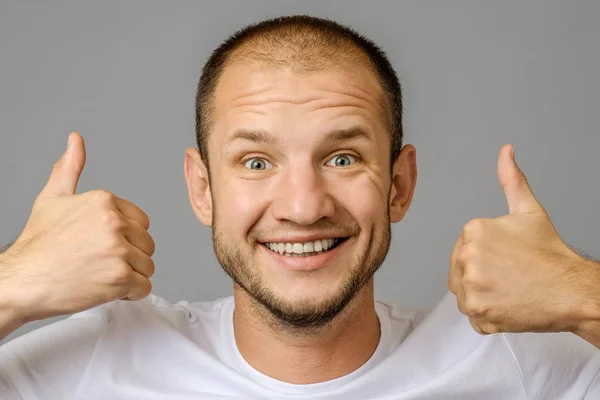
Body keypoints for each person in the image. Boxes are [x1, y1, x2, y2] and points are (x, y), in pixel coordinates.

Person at [0, 15, 599, 399]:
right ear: (203, 189)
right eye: (256, 163)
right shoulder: (92, 364)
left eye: (342, 158)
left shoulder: (522, 365)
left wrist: (581, 291)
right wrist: (13, 283)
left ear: (398, 185)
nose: (303, 207)